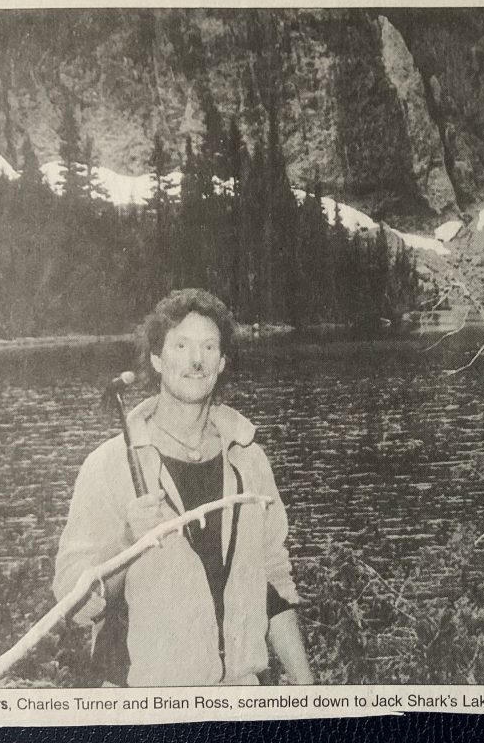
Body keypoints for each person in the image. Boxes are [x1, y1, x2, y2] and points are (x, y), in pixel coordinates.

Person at [54, 289, 313, 687]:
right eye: (181, 345)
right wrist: (126, 542)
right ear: (157, 359)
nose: (196, 360)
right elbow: (73, 603)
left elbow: (273, 583)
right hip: (145, 706)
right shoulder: (109, 466)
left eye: (210, 347)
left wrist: (308, 690)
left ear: (222, 361)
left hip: (240, 702)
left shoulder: (248, 459)